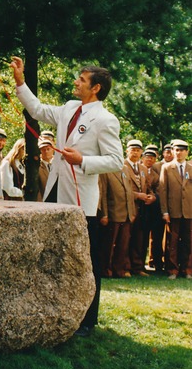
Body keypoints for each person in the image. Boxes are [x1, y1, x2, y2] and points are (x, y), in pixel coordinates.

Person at [10, 57, 124, 337]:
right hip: (55, 194)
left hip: (80, 199)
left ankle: (87, 320)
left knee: (87, 260)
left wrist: (83, 159)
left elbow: (116, 161)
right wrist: (19, 80)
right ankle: (57, 310)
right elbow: (36, 109)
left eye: (82, 80)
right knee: (53, 256)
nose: (76, 82)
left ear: (95, 88)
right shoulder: (69, 108)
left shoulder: (106, 120)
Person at [158, 139, 192, 279]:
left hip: (189, 211)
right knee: (172, 241)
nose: (179, 153)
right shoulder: (166, 168)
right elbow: (163, 191)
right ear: (172, 151)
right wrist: (165, 211)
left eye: (182, 150)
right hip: (173, 211)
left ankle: (187, 269)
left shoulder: (191, 168)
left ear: (187, 152)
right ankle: (172, 270)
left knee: (188, 241)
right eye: (176, 150)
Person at [123, 139, 156, 276]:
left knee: (139, 239)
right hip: (128, 207)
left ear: (141, 152)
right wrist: (137, 195)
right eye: (133, 150)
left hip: (142, 209)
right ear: (127, 151)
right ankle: (125, 267)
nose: (135, 153)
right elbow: (123, 188)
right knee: (126, 239)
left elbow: (148, 187)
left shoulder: (142, 168)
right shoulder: (122, 165)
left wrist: (152, 196)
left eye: (138, 150)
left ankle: (137, 267)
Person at [98, 169, 136, 277]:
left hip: (126, 214)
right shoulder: (105, 171)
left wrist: (132, 212)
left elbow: (129, 192)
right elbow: (103, 193)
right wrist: (104, 214)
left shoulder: (125, 170)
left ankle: (119, 270)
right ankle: (106, 270)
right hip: (113, 214)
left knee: (123, 245)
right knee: (108, 246)